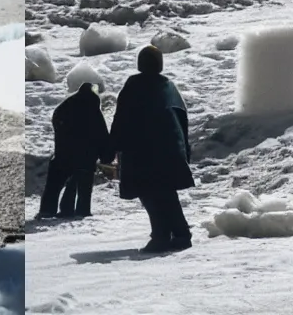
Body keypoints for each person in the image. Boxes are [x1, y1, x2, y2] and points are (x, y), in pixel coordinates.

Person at [109, 46, 193, 253]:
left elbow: (122, 119)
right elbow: (182, 120)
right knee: (166, 192)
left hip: (143, 151)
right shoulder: (169, 87)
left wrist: (112, 146)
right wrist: (184, 151)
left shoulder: (134, 85)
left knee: (149, 193)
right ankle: (181, 234)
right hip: (170, 150)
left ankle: (161, 236)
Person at [37, 82, 112, 219]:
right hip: (86, 157)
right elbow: (101, 134)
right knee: (82, 183)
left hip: (63, 154)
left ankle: (48, 209)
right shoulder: (93, 110)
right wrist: (107, 155)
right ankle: (80, 210)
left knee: (55, 184)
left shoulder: (63, 107)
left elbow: (58, 127)